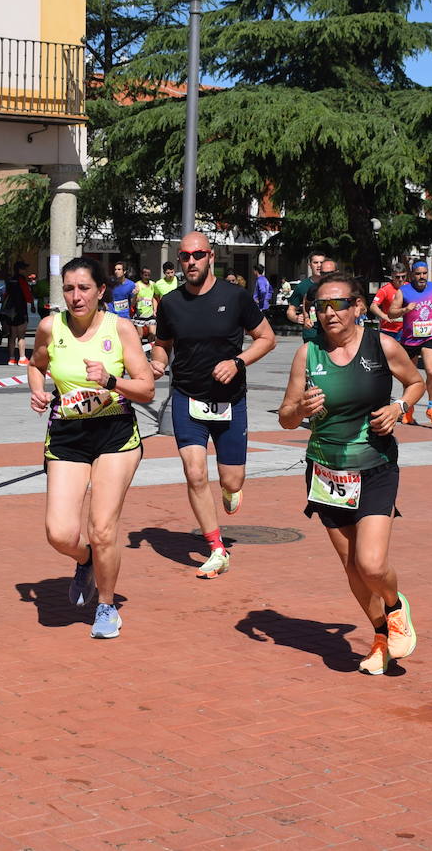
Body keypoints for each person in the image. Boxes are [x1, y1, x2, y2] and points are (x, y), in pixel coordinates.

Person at [278, 271, 426, 674]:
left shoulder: (382, 346)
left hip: (375, 465)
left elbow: (416, 381)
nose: (329, 313)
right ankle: (381, 635)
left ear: (358, 307)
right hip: (327, 472)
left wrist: (398, 408)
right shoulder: (307, 355)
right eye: (320, 306)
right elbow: (286, 418)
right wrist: (301, 411)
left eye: (338, 304)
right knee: (352, 568)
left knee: (372, 564)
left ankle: (396, 609)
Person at [28, 257, 155, 638]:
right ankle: (85, 561)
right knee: (60, 534)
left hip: (114, 435)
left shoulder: (121, 329)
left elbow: (146, 387)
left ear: (101, 291)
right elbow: (37, 364)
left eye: (84, 288)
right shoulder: (52, 327)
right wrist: (37, 388)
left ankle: (106, 606)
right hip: (68, 434)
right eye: (68, 288)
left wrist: (111, 380)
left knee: (102, 529)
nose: (76, 296)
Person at [150, 232, 277, 579]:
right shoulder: (172, 303)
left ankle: (230, 489)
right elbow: (162, 343)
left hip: (230, 401)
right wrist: (158, 362)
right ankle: (216, 548)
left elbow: (267, 339)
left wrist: (238, 362)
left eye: (197, 255)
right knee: (194, 472)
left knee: (232, 480)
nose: (190, 262)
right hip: (187, 397)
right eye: (184, 256)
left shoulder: (235, 297)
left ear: (211, 256)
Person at [388, 261, 432, 424]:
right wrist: (405, 310)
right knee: (410, 378)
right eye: (418, 274)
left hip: (430, 336)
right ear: (412, 275)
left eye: (424, 273)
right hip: (409, 340)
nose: (422, 277)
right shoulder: (403, 291)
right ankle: (408, 409)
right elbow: (391, 313)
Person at [286, 251, 326, 343]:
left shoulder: (332, 284)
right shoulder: (302, 286)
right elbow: (290, 310)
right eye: (315, 263)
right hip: (311, 334)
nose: (319, 265)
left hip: (330, 333)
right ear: (309, 265)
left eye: (321, 262)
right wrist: (296, 318)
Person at [3, 260, 34, 366]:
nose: (26, 270)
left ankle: (11, 358)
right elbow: (27, 295)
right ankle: (22, 358)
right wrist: (32, 302)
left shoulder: (10, 280)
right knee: (21, 336)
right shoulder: (22, 280)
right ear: (20, 269)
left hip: (10, 311)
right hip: (20, 310)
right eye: (24, 268)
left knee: (12, 335)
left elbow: (5, 294)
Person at [131, 266, 159, 343]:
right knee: (140, 336)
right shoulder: (137, 285)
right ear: (141, 275)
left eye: (149, 275)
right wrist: (136, 296)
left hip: (150, 315)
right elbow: (132, 303)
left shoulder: (153, 284)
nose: (147, 277)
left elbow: (154, 298)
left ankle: (149, 352)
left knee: (153, 334)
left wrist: (155, 310)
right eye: (145, 275)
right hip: (140, 315)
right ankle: (139, 352)